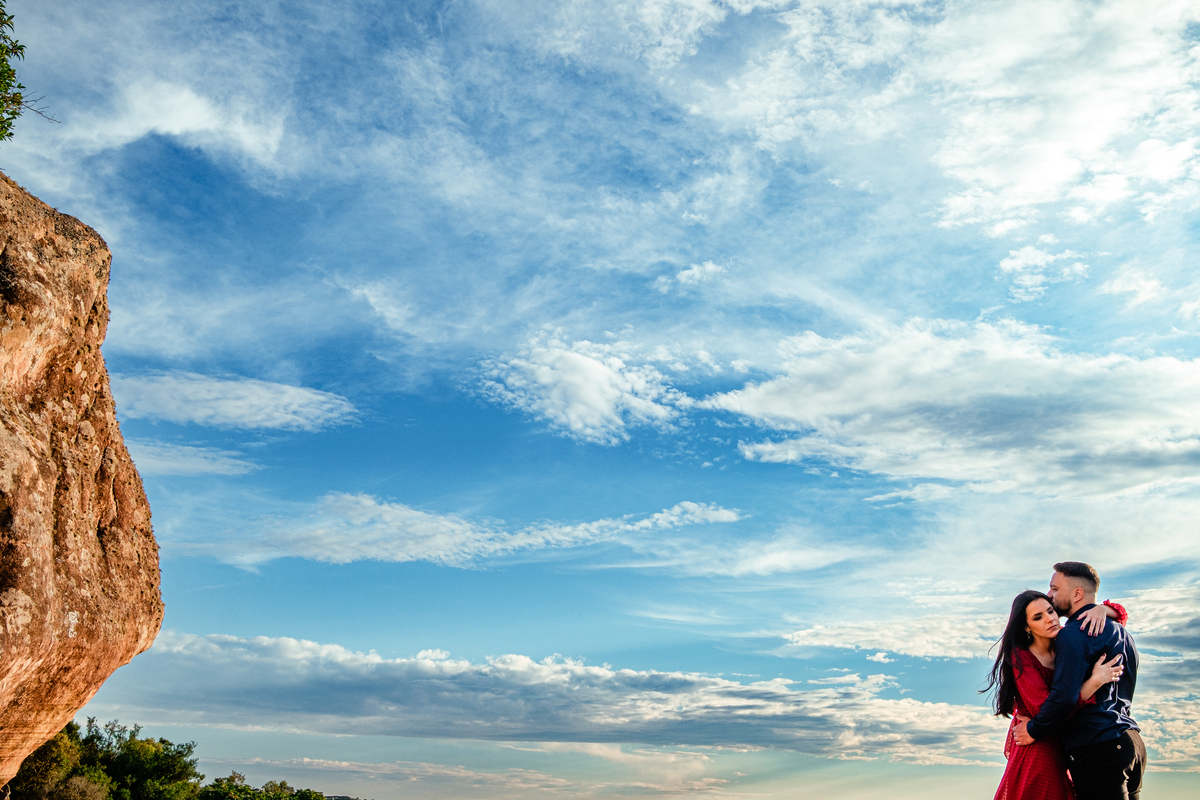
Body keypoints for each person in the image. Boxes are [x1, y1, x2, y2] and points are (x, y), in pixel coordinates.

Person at [1013, 562, 1144, 800]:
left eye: (1054, 589)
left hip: (1097, 745)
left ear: (1077, 593)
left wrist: (1033, 729)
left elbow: (1063, 697)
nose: (1050, 596)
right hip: (1130, 741)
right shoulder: (1123, 632)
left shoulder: (1071, 634)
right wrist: (1107, 610)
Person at [986, 589, 1126, 800]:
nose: (1050, 619)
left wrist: (1101, 610)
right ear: (1026, 626)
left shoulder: (1067, 642)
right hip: (1038, 746)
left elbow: (1121, 615)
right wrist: (1095, 681)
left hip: (1065, 742)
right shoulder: (1022, 657)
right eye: (1037, 617)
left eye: (1050, 611)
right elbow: (1049, 708)